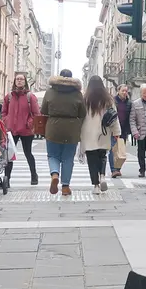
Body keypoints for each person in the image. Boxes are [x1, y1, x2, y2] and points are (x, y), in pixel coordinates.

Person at [41, 68, 86, 196]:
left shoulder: (50, 91)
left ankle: (55, 174)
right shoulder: (77, 93)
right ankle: (65, 187)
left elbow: (44, 110)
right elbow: (83, 112)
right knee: (68, 158)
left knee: (53, 155)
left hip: (53, 127)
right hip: (71, 129)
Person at [79, 75, 119, 194]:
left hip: (88, 132)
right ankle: (102, 176)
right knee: (102, 155)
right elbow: (114, 116)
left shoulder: (85, 99)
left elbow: (80, 116)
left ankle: (96, 186)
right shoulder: (108, 99)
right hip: (104, 131)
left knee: (92, 159)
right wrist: (116, 132)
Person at [3, 74, 40, 187]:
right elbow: (4, 112)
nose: (19, 81)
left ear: (25, 82)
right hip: (12, 129)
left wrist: (29, 122)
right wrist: (6, 120)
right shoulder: (9, 96)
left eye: (21, 79)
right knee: (9, 155)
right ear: (14, 81)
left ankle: (34, 174)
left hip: (26, 130)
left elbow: (36, 113)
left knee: (28, 153)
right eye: (17, 79)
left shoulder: (30, 96)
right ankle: (7, 179)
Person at [109, 84, 131, 178]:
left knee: (121, 150)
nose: (125, 93)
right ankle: (113, 170)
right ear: (118, 91)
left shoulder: (129, 103)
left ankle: (118, 169)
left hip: (124, 129)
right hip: (114, 129)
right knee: (113, 150)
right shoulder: (113, 101)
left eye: (126, 91)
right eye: (123, 91)